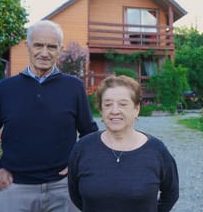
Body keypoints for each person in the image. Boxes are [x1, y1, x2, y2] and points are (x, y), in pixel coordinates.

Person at [0, 20, 99, 212]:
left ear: (60, 49)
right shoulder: (5, 89)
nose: (44, 52)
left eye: (52, 46)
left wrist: (77, 166)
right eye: (38, 45)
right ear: (28, 47)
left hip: (63, 189)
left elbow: (89, 133)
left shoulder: (74, 87)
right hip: (15, 189)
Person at [68, 75, 179, 212]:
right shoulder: (82, 148)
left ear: (136, 109)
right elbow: (75, 195)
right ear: (101, 110)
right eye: (108, 104)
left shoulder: (157, 151)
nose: (114, 111)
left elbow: (171, 194)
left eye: (123, 104)